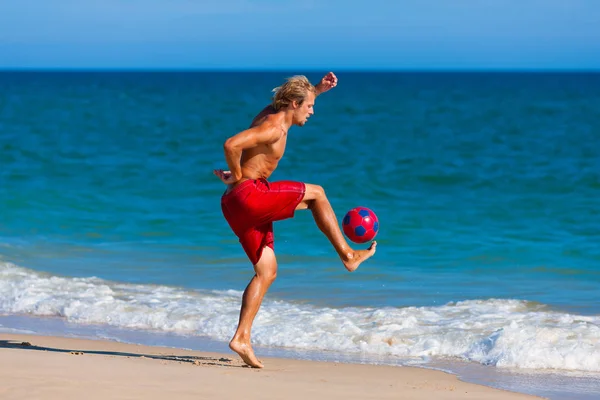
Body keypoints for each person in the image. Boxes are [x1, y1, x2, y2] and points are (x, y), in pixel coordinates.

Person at [213, 72, 377, 368]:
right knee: (317, 194)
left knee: (267, 271)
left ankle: (241, 338)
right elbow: (231, 144)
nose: (313, 111)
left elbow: (249, 148)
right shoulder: (274, 127)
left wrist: (317, 89)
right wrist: (237, 177)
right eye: (310, 106)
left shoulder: (276, 114)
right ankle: (349, 255)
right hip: (249, 195)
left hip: (234, 203)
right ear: (293, 103)